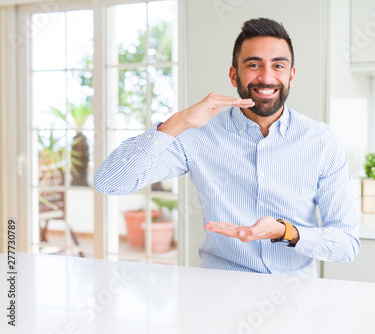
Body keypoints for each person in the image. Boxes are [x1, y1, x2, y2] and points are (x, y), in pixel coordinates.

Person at [94, 18, 359, 277]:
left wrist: (285, 231)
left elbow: (346, 244)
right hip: (219, 291)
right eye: (254, 64)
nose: (267, 77)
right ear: (234, 75)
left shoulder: (322, 142)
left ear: (291, 75)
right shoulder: (198, 134)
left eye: (278, 65)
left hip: (294, 296)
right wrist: (179, 121)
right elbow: (110, 183)